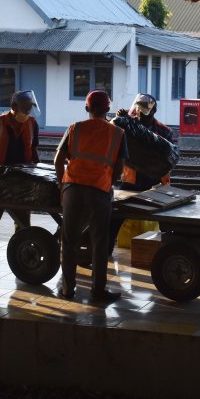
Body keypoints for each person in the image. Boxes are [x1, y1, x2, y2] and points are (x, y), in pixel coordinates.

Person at [54, 90, 127, 301]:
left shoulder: (75, 128)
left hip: (73, 189)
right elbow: (119, 169)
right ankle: (97, 291)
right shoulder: (118, 133)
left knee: (68, 241)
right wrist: (107, 185)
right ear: (107, 109)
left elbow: (58, 159)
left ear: (87, 108)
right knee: (100, 242)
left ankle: (67, 290)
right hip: (99, 191)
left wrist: (62, 186)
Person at [0, 91, 40, 268]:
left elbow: (33, 148)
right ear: (14, 107)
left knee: (23, 219)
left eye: (30, 110)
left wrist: (37, 167)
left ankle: (23, 252)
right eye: (25, 109)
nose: (27, 113)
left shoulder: (32, 123)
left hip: (21, 179)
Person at [108, 93, 173, 254]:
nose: (140, 114)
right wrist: (120, 120)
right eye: (138, 109)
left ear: (154, 111)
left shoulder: (164, 131)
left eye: (145, 111)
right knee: (116, 216)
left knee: (165, 220)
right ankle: (106, 248)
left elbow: (166, 157)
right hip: (130, 181)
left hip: (154, 181)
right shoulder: (128, 124)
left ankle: (169, 250)